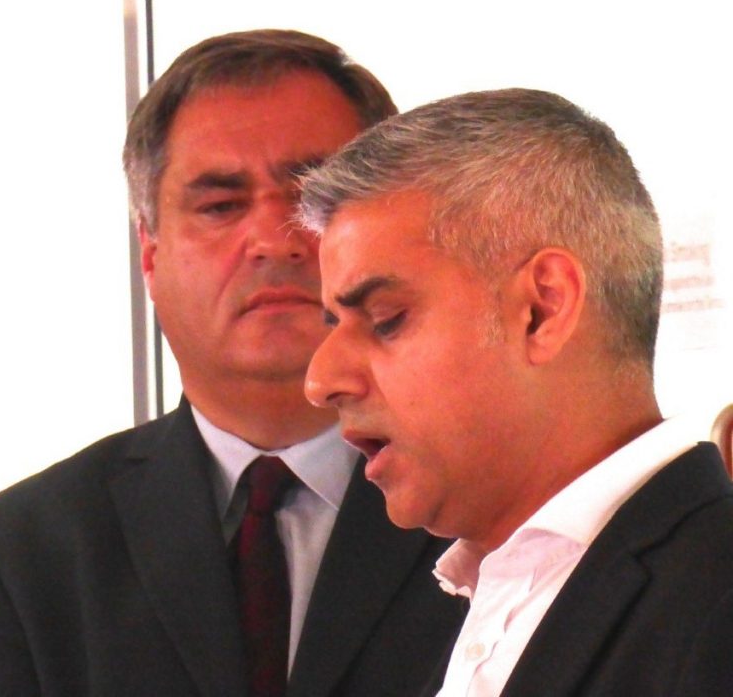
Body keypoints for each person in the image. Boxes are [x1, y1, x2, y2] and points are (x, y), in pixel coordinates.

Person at [0, 30, 463, 697]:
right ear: (150, 255)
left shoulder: (500, 509)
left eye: (313, 199)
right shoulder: (25, 552)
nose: (274, 240)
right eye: (220, 206)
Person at [297, 87, 733, 696]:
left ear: (542, 308)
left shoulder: (713, 605)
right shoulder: (468, 608)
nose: (321, 381)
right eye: (331, 325)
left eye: (385, 317)